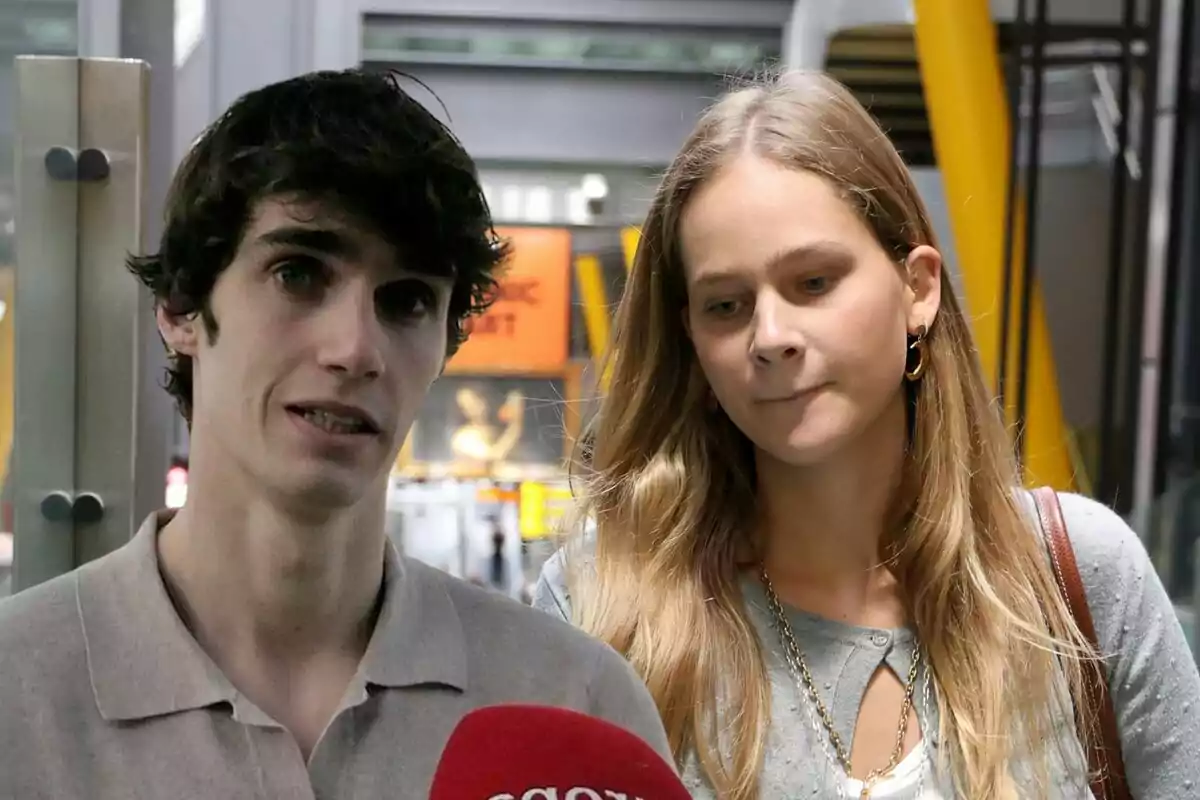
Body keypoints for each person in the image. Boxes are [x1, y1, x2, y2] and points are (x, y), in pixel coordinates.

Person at [0, 69, 670, 798]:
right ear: (183, 306)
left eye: (407, 300)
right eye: (298, 274)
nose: (354, 348)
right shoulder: (20, 695)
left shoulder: (573, 703)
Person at [533, 71, 1200, 799]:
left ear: (917, 288)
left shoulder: (1079, 583)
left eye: (814, 282)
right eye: (726, 304)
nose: (771, 336)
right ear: (691, 339)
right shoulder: (603, 607)